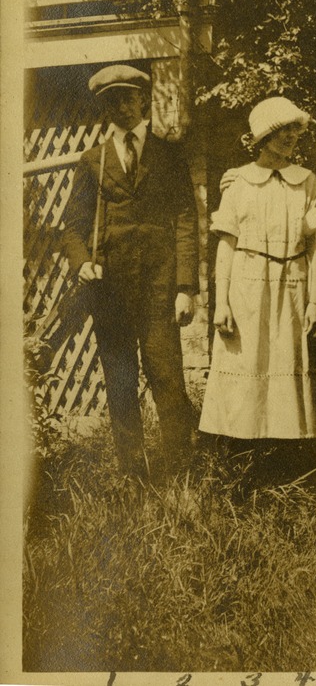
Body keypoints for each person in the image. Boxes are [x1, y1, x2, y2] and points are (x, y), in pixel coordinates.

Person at [63, 65, 199, 479]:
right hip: (112, 291)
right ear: (104, 109)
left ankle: (179, 474)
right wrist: (81, 260)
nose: (121, 107)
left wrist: (186, 287)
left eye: (128, 98)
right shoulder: (93, 161)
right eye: (111, 101)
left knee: (168, 381)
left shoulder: (169, 154)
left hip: (160, 289)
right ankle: (133, 477)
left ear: (143, 101)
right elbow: (72, 226)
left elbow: (186, 219)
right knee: (121, 383)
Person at [199, 97, 316, 449]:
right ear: (262, 137)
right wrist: (222, 302)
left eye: (294, 130)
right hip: (248, 283)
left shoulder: (307, 181)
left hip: (292, 283)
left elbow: (314, 244)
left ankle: (287, 454)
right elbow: (226, 245)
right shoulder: (238, 182)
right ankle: (243, 452)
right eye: (280, 130)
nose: (289, 137)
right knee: (247, 363)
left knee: (288, 360)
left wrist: (315, 299)